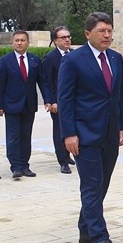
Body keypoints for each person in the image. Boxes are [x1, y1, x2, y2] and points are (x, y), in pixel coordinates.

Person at [58, 12, 123, 243]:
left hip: (110, 133)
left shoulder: (116, 59)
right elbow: (65, 100)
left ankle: (86, 231)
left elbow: (120, 95)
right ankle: (101, 239)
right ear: (88, 33)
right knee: (91, 185)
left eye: (109, 30)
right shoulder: (74, 61)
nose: (107, 35)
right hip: (84, 134)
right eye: (101, 31)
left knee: (102, 185)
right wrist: (69, 134)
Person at [0, 30, 40, 179]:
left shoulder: (34, 60)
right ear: (12, 42)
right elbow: (0, 84)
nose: (19, 43)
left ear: (28, 43)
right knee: (13, 136)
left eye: (22, 40)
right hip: (11, 105)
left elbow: (42, 81)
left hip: (29, 104)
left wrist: (48, 99)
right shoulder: (5, 60)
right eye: (17, 40)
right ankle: (15, 166)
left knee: (26, 136)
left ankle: (25, 165)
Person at [38, 26, 75, 174]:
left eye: (68, 37)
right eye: (63, 38)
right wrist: (51, 101)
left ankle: (69, 154)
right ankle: (63, 161)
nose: (67, 40)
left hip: (74, 101)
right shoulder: (50, 58)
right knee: (60, 131)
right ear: (55, 41)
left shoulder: (74, 54)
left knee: (73, 130)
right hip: (58, 103)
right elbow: (46, 82)